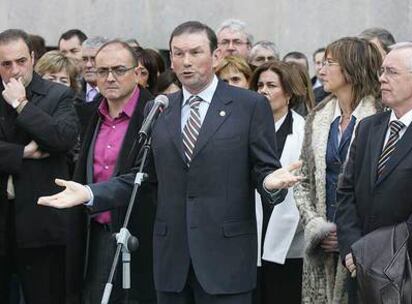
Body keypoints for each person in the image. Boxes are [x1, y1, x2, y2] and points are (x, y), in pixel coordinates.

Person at [38, 21, 303, 304]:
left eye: (195, 52)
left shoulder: (248, 105)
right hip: (172, 261)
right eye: (178, 53)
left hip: (225, 259)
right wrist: (90, 192)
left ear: (215, 56)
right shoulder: (161, 108)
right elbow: (140, 176)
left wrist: (270, 182)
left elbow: (263, 168)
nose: (186, 61)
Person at [293, 37, 383, 304]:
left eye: (330, 63)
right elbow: (303, 179)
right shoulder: (318, 118)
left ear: (352, 69)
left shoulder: (381, 117)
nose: (322, 69)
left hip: (364, 246)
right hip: (322, 246)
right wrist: (316, 226)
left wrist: (347, 235)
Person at [0, 29, 79, 304]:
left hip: (41, 224)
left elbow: (61, 138)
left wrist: (21, 105)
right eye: (6, 64)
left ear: (33, 58)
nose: (15, 70)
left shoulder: (58, 95)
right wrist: (21, 152)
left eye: (21, 61)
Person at [76, 40, 156, 304]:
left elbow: (144, 178)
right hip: (96, 234)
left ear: (137, 73)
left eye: (119, 70)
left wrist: (89, 193)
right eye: (102, 71)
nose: (109, 78)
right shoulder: (90, 113)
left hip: (142, 234)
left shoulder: (156, 113)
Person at [336, 42, 412, 302]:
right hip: (359, 270)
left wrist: (377, 253)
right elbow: (346, 192)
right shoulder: (369, 127)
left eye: (391, 72)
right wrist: (353, 250)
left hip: (406, 272)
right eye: (381, 71)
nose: (381, 78)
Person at [250, 61, 305, 304]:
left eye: (271, 85)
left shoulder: (304, 130)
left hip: (289, 233)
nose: (263, 90)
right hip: (249, 227)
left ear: (289, 93)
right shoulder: (244, 126)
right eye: (260, 85)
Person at [80, 36, 108, 102]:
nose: (88, 65)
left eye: (94, 59)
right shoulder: (72, 92)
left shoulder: (117, 94)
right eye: (84, 59)